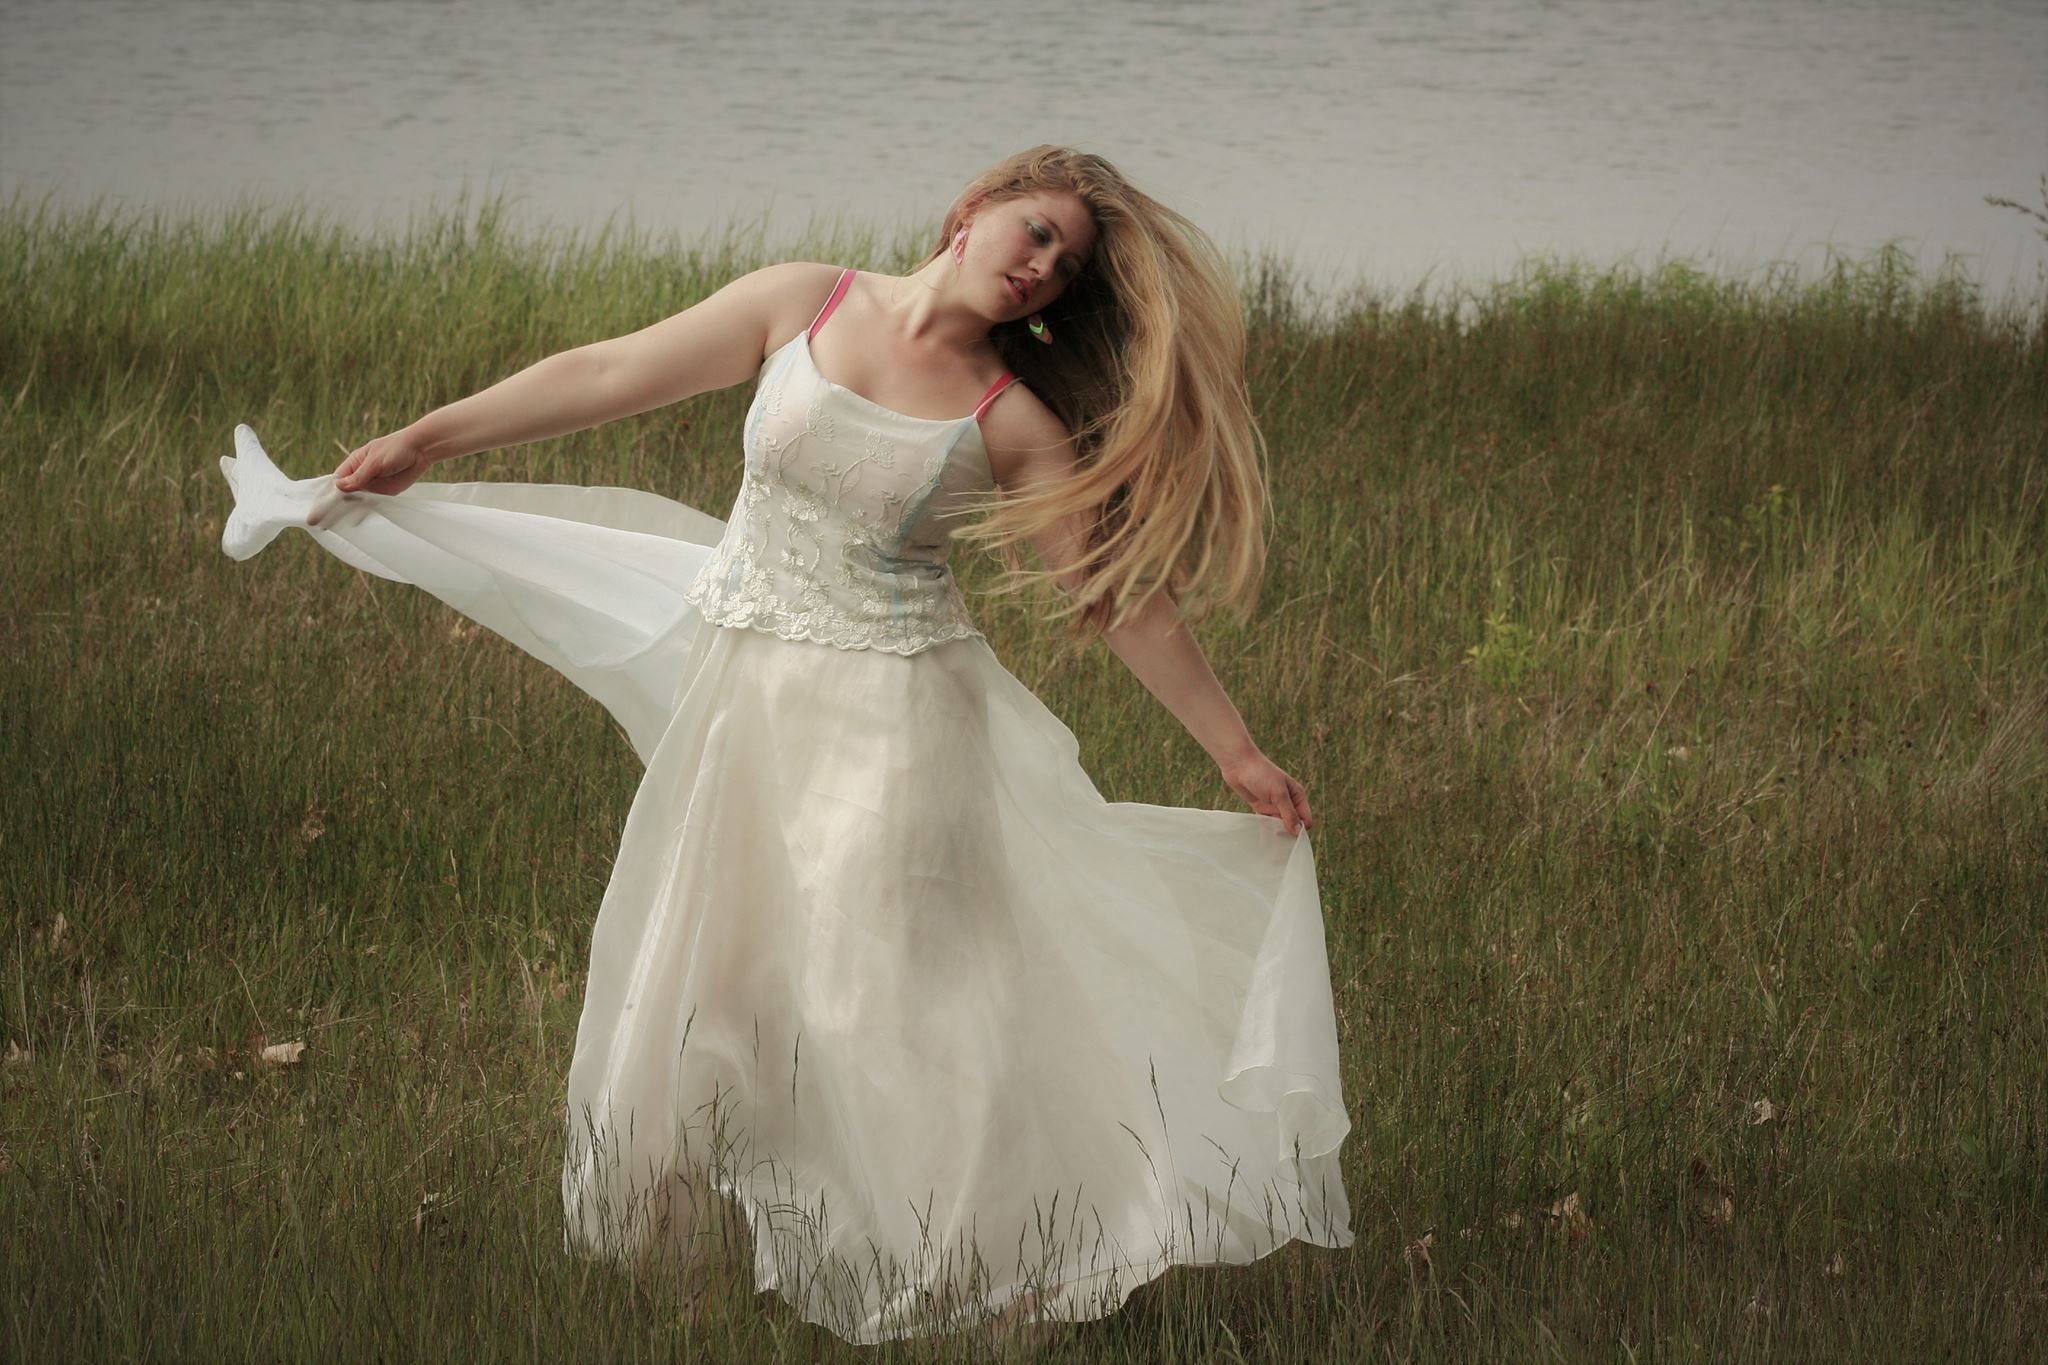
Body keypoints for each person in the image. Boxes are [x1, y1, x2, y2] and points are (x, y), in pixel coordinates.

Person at [220, 145, 1353, 1346]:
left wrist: (1235, 753)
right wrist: (428, 438)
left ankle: (964, 1269)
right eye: (1031, 232)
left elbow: (1117, 602)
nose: (1037, 269)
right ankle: (737, 1256)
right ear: (970, 210)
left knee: (886, 1000)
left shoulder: (1008, 420)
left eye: (1063, 268)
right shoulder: (804, 299)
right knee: (717, 979)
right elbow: (610, 370)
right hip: (744, 709)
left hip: (898, 732)